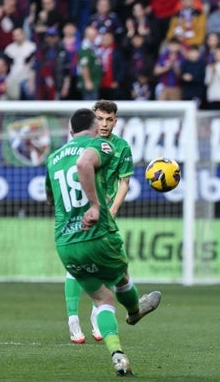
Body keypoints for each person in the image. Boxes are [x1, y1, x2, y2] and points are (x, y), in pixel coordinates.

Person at [45, 107, 160, 376]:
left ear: (70, 132)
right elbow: (84, 163)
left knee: (102, 299)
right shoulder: (101, 145)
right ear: (95, 127)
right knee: (121, 279)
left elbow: (51, 198)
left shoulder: (52, 158)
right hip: (97, 232)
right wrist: (95, 205)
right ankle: (134, 310)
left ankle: (117, 354)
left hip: (65, 242)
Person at [64, 100, 135, 344]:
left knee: (113, 265)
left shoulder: (122, 147)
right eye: (100, 119)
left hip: (105, 215)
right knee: (76, 265)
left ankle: (97, 315)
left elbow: (124, 182)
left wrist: (113, 209)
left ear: (115, 121)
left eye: (109, 119)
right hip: (81, 212)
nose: (104, 124)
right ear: (94, 119)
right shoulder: (81, 144)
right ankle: (73, 318)